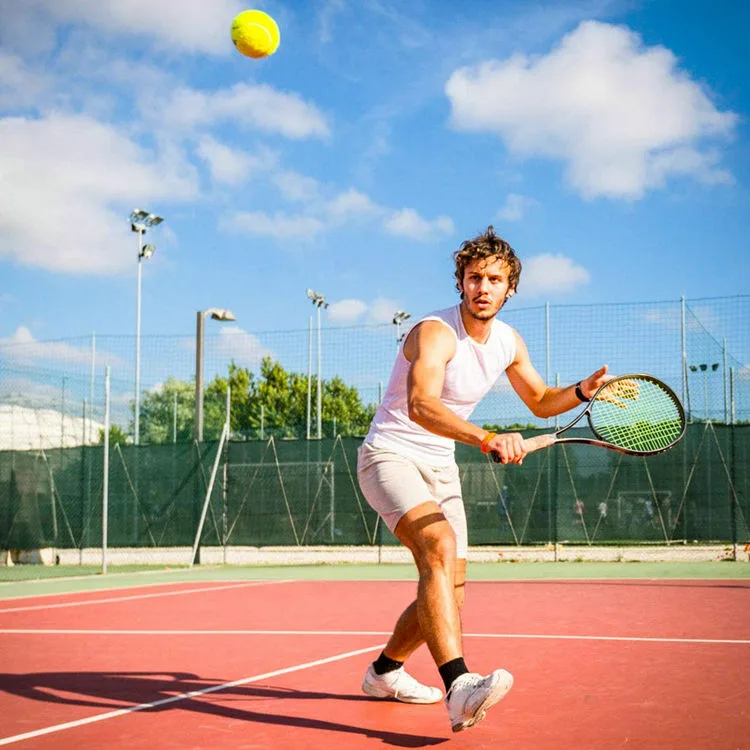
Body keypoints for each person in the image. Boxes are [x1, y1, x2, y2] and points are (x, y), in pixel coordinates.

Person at [357, 226, 610, 733]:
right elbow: (421, 405)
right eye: (475, 277)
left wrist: (581, 391)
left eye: (495, 279)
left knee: (452, 588)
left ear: (510, 287)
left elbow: (540, 400)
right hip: (390, 455)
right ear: (461, 283)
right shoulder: (435, 332)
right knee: (438, 546)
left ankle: (384, 672)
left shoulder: (508, 343)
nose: (483, 287)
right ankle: (459, 686)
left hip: (441, 465)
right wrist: (488, 437)